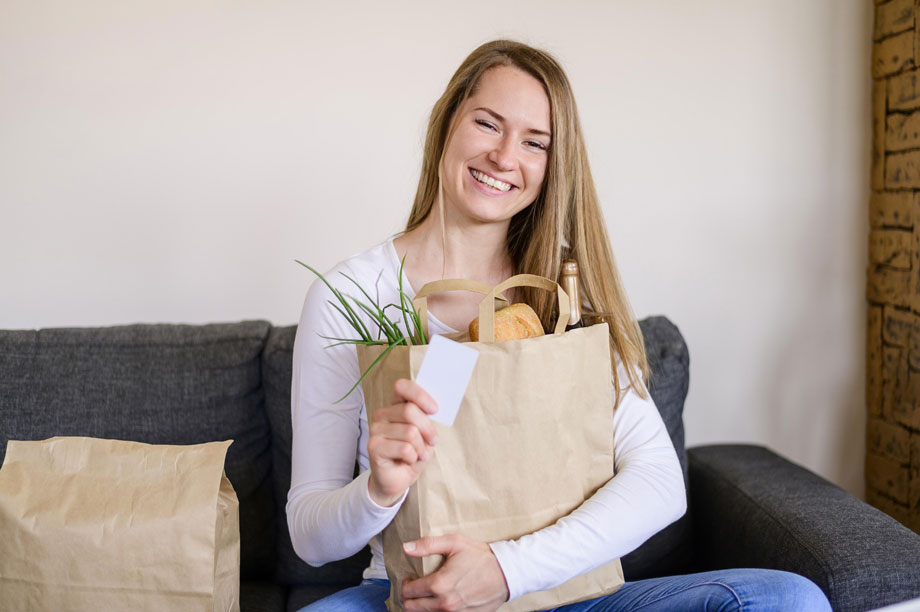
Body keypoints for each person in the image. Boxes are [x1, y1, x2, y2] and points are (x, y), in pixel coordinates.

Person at [288, 40, 832, 612]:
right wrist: (378, 490)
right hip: (413, 597)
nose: (504, 156)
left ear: (551, 167)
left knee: (787, 598)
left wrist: (508, 569)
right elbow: (309, 535)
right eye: (487, 123)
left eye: (534, 143)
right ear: (448, 121)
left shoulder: (564, 295)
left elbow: (658, 482)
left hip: (562, 595)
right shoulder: (348, 295)